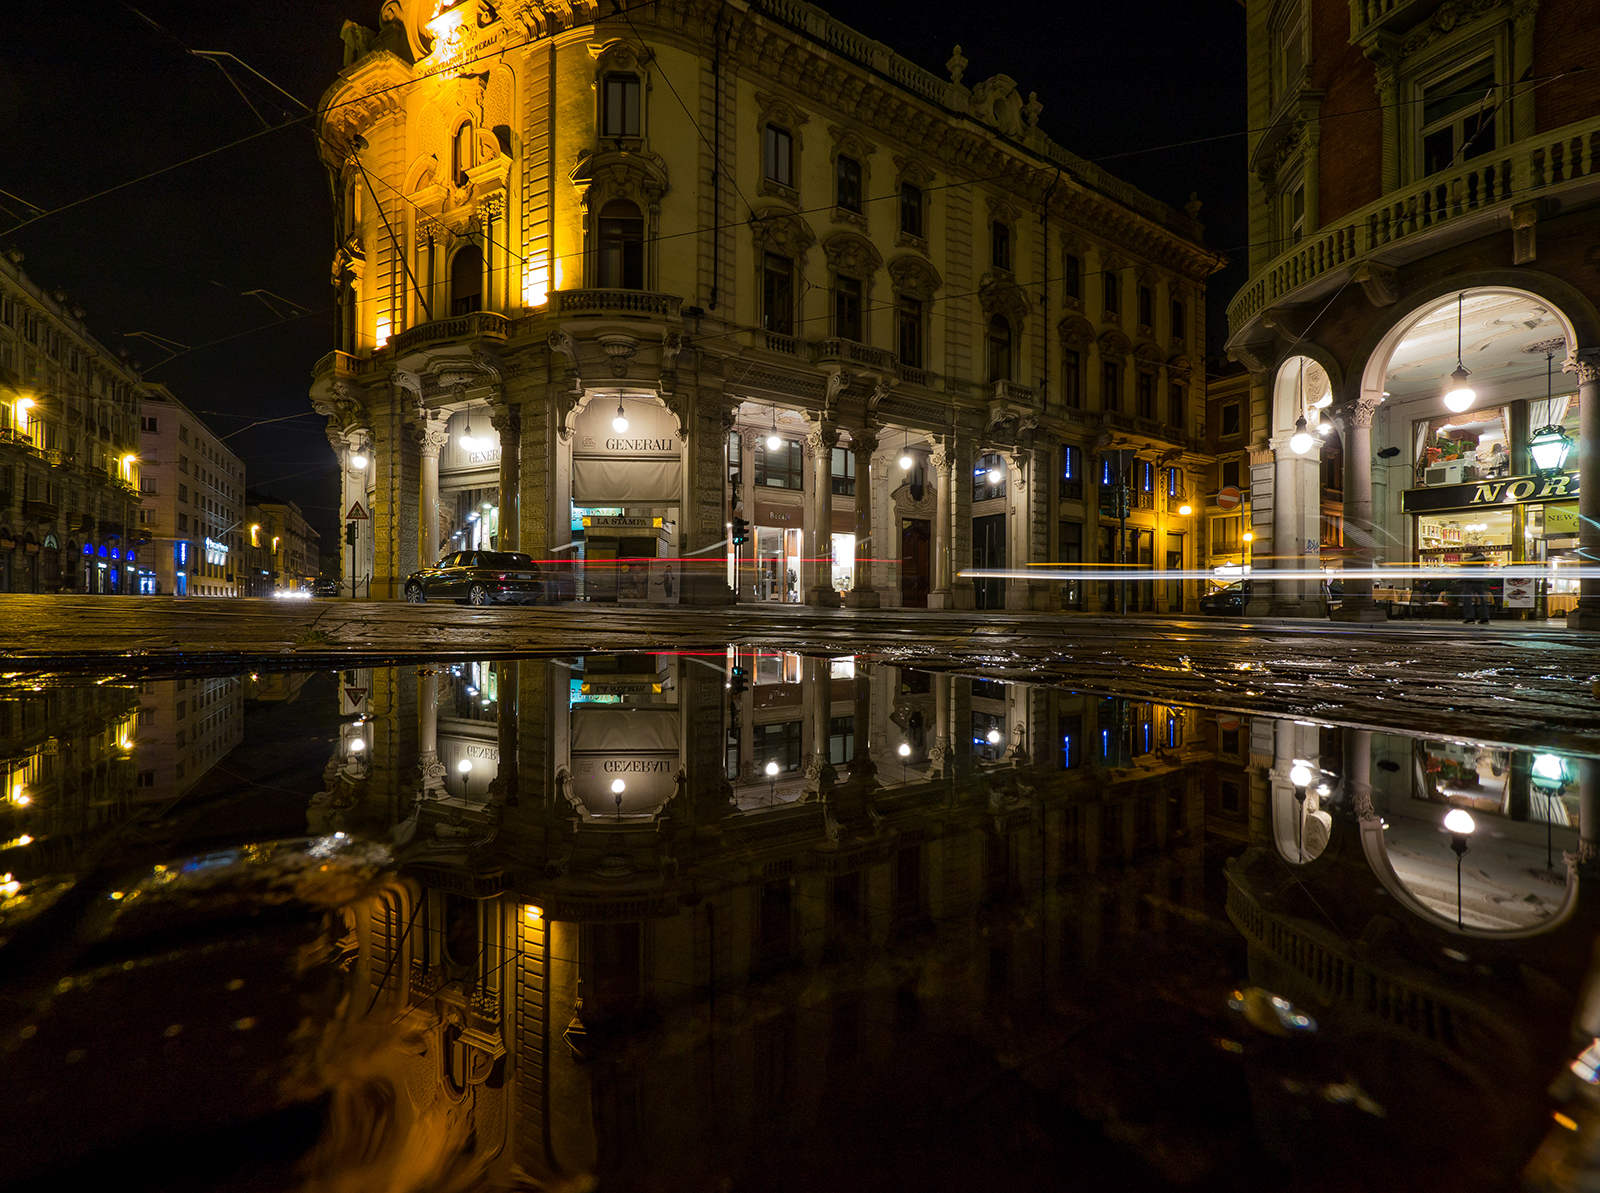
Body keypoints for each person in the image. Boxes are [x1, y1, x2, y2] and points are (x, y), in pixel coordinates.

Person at [1459, 554, 1492, 624]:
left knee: (1468, 599)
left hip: (1469, 581)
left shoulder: (1470, 561)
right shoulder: (1482, 561)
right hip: (1480, 581)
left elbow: (1463, 570)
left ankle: (1470, 617)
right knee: (1482, 600)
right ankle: (1484, 618)